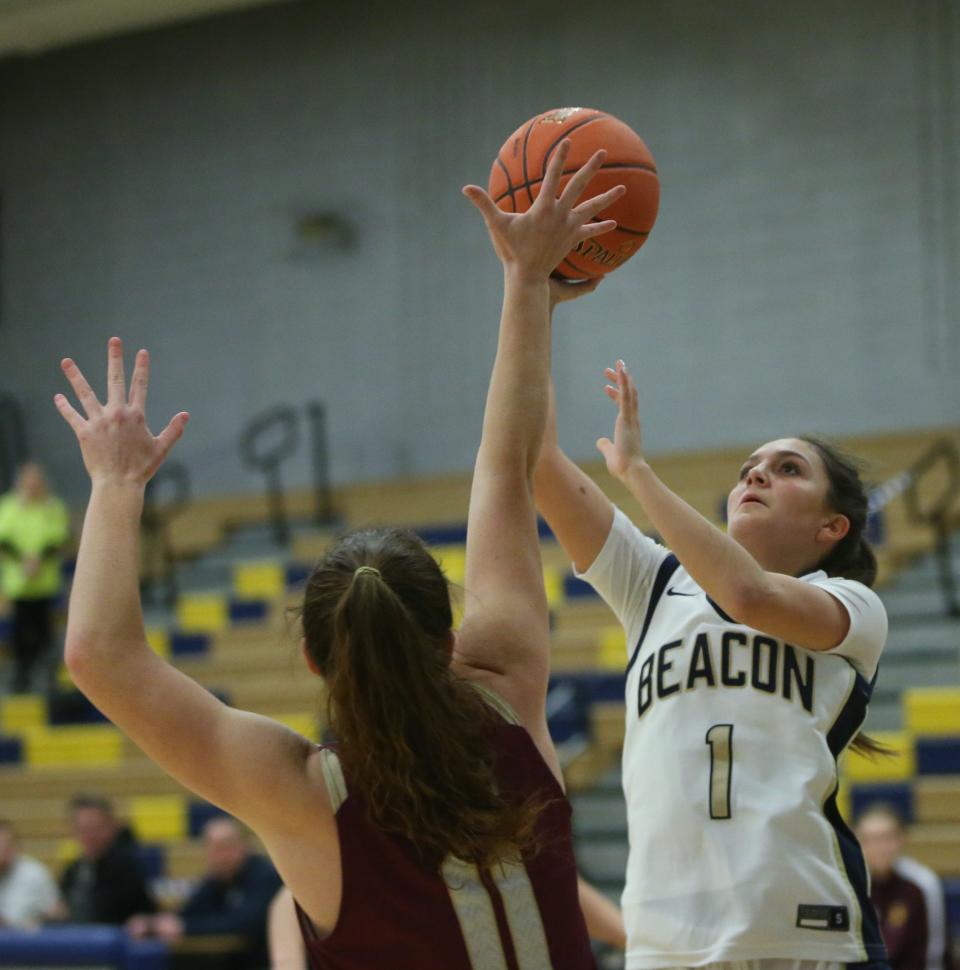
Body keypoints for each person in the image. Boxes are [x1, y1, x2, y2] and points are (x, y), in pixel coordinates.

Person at [53, 141, 625, 968]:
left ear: (318, 661)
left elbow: (99, 655)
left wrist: (115, 484)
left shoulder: (296, 793)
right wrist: (526, 283)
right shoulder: (509, 689)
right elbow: (506, 466)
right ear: (447, 635)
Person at [533, 345, 890, 967]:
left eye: (788, 469)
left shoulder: (852, 606)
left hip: (804, 936)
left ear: (832, 526)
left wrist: (638, 472)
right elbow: (535, 460)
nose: (756, 475)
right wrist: (529, 288)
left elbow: (748, 595)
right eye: (750, 467)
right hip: (665, 945)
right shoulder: (652, 583)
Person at [127, 816, 281, 970]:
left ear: (244, 845)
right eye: (212, 848)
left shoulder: (264, 875)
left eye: (224, 846)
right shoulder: (217, 878)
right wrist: (152, 924)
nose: (219, 855)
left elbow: (244, 923)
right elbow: (185, 915)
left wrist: (186, 927)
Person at [856, 802, 952, 970]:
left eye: (887, 838)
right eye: (870, 839)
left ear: (902, 838)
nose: (880, 847)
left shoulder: (922, 883)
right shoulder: (851, 885)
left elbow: (934, 953)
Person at [0, 461, 69, 692]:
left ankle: (50, 675)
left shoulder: (52, 506)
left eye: (36, 480)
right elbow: (4, 538)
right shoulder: (9, 506)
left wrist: (38, 559)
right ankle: (22, 676)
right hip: (19, 583)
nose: (32, 485)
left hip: (45, 582)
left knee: (46, 631)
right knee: (20, 630)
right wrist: (24, 561)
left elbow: (58, 537)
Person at [59, 793, 155, 925]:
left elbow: (144, 913)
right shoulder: (72, 870)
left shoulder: (129, 867)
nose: (90, 836)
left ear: (112, 826)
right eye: (84, 829)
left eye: (96, 828)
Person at [0, 819, 63, 929]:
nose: (4, 851)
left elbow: (58, 914)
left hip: (28, 942)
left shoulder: (34, 874)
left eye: (6, 845)